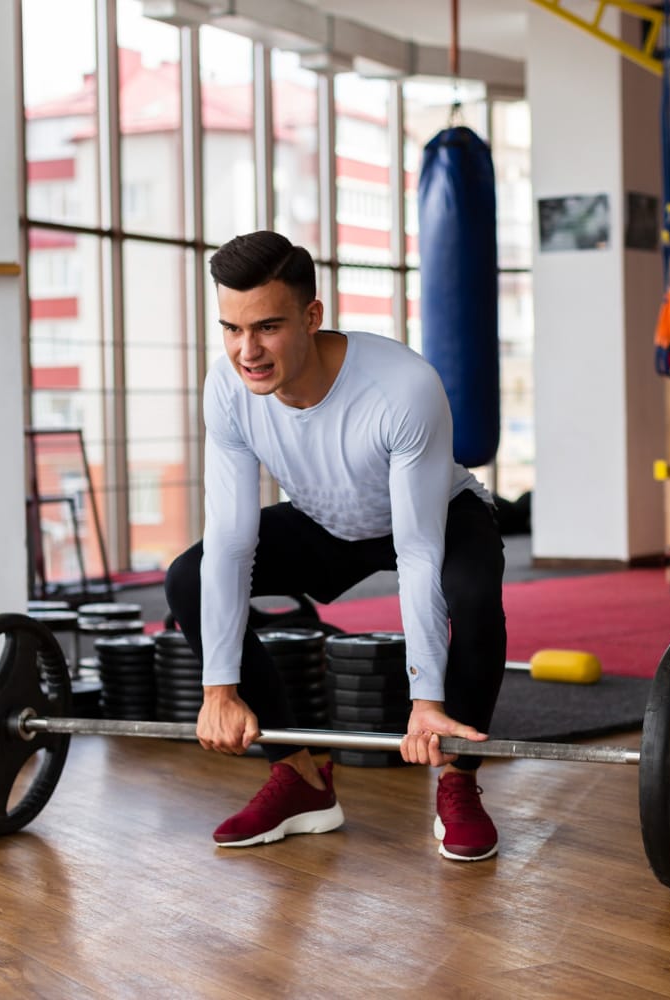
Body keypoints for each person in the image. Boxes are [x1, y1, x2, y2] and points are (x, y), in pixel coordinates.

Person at [164, 230, 509, 862]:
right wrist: (219, 689)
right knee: (189, 576)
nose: (247, 351)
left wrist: (425, 701)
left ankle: (458, 778)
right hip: (326, 517)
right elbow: (232, 543)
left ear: (311, 316)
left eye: (267, 327)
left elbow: (417, 553)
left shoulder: (403, 387)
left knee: (473, 594)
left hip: (436, 515)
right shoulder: (228, 389)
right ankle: (299, 775)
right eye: (232, 329)